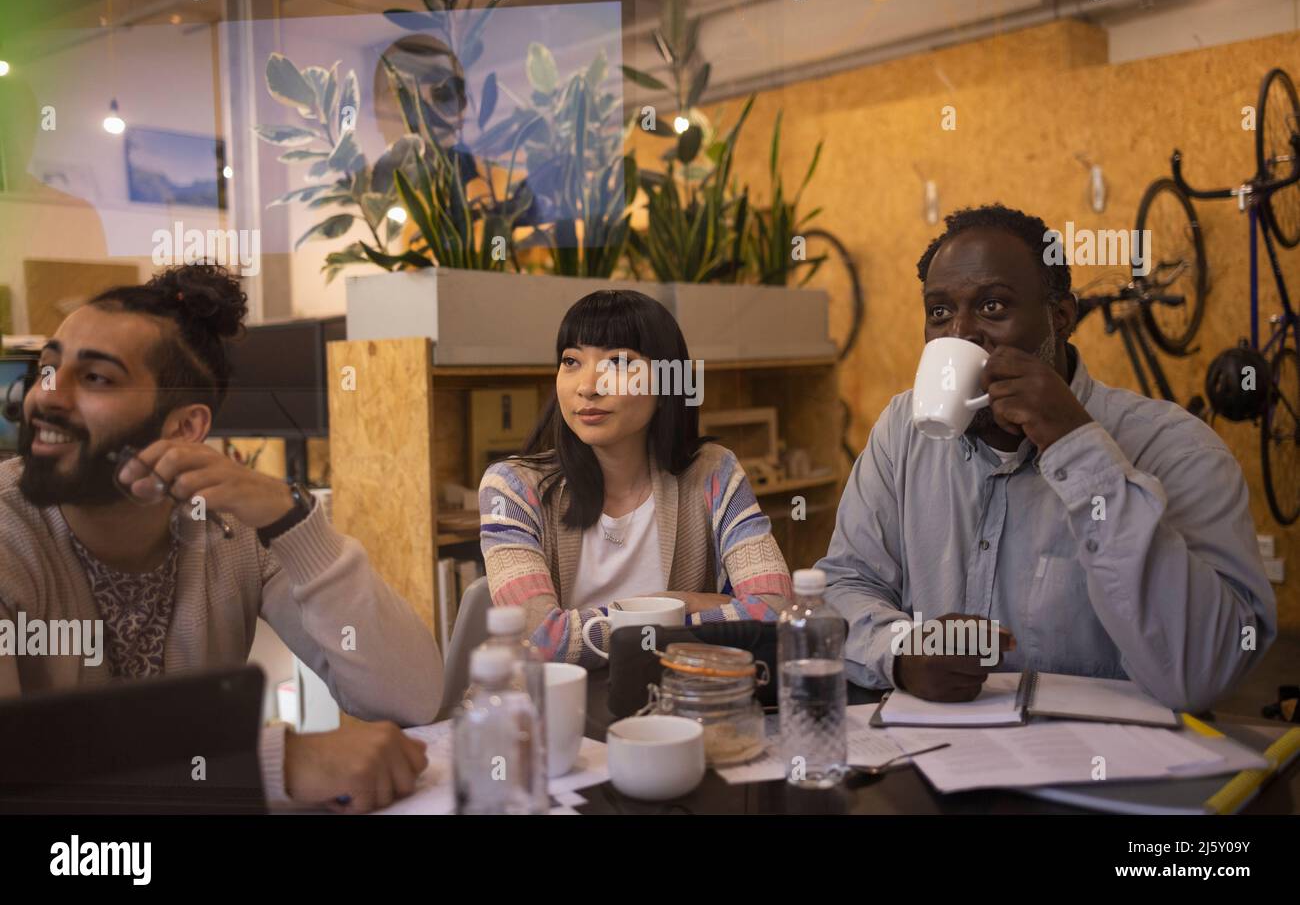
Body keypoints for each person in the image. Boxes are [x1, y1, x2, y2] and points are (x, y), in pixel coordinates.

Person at [0, 263, 442, 813]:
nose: (45, 398)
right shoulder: (8, 532)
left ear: (185, 428)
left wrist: (293, 522)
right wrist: (279, 762)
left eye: (96, 379)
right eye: (47, 370)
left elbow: (412, 696)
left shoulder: (228, 528)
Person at [817, 204, 1275, 711]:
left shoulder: (1176, 448)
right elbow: (846, 582)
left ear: (1061, 317)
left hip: (1109, 772)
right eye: (940, 312)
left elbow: (1206, 670)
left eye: (993, 307)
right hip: (938, 762)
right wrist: (899, 651)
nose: (961, 334)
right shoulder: (901, 433)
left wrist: (1076, 445)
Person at [479, 290, 793, 665]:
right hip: (554, 716)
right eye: (571, 361)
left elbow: (776, 611)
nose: (587, 386)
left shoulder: (713, 472)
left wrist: (663, 609)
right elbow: (542, 639)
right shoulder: (512, 488)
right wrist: (686, 606)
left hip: (676, 712)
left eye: (617, 362)